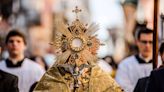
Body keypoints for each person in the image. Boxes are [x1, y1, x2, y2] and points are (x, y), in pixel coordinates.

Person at [115, 27, 153, 92]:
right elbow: (122, 87)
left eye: (150, 42)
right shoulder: (125, 65)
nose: (147, 45)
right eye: (144, 42)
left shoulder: (161, 62)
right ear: (137, 42)